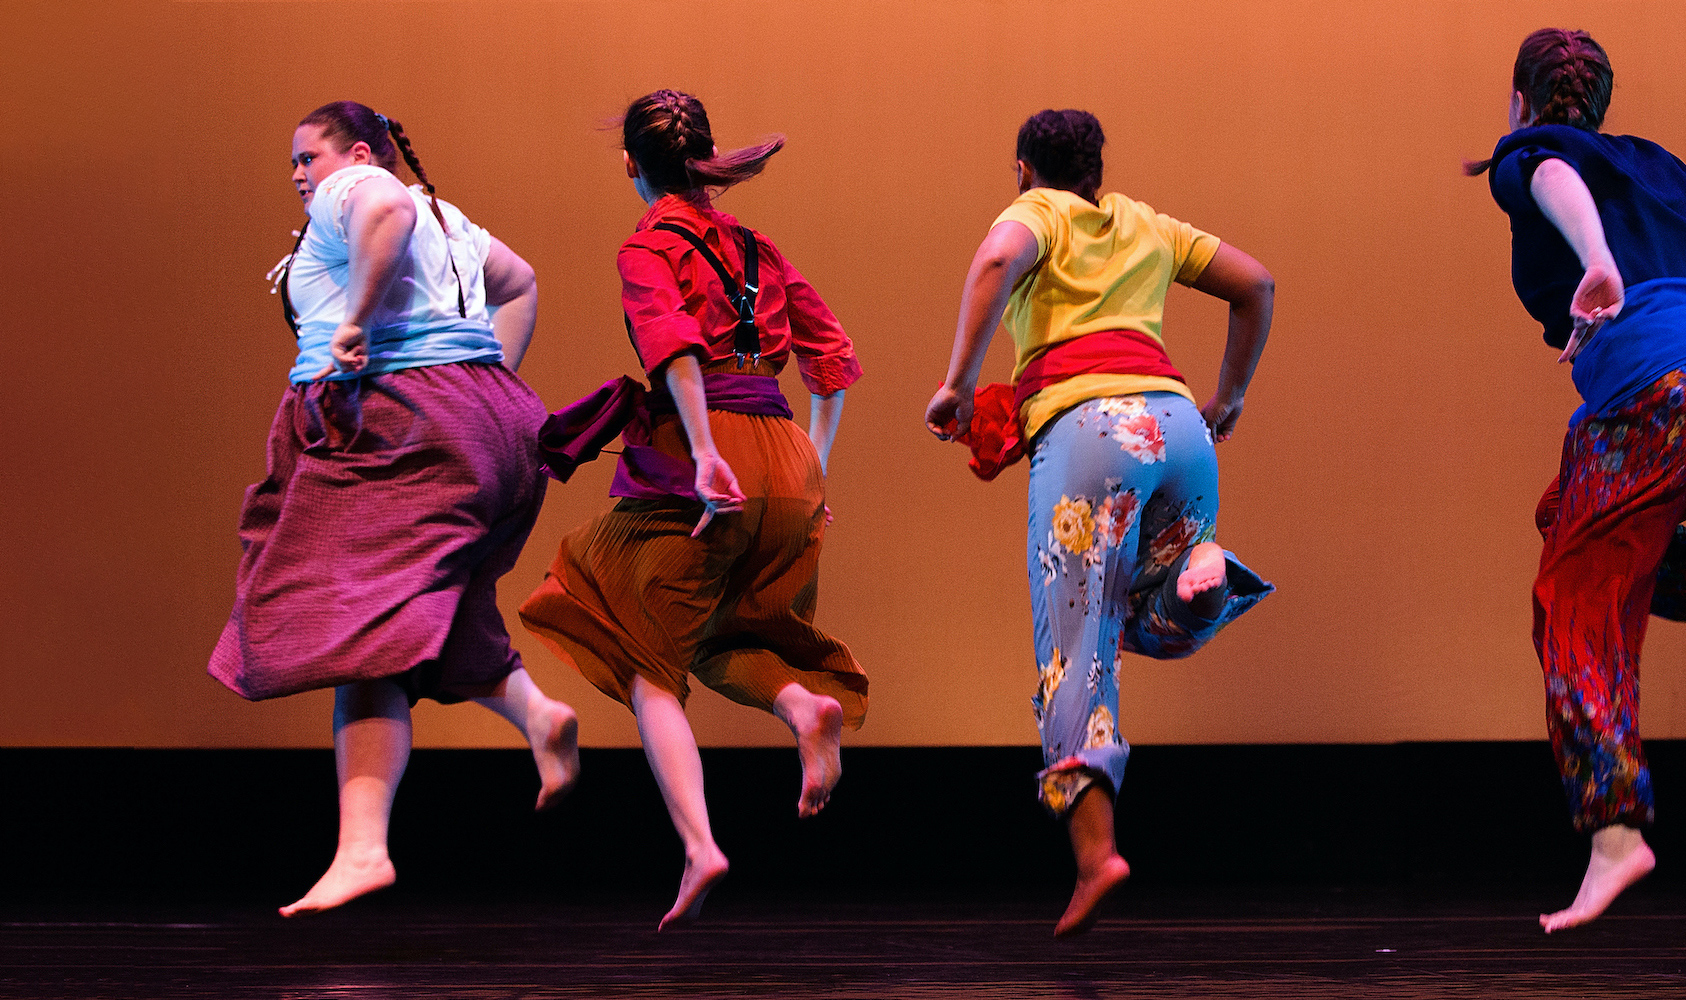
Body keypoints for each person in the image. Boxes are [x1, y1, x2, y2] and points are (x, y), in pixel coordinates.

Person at [1468, 29, 1686, 932]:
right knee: (1568, 514)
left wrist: (1596, 260)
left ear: (1521, 102)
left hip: (1657, 396)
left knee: (1571, 599)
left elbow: (1555, 178)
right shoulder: (1656, 166)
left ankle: (1615, 831)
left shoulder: (1528, 155)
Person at [210, 101, 581, 917]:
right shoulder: (452, 222)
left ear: (363, 151)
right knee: (398, 621)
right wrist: (489, 378)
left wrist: (354, 320)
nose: (301, 174)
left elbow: (384, 205)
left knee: (351, 623)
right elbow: (518, 282)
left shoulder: (365, 188)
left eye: (310, 155)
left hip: (398, 421)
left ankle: (364, 849)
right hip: (488, 424)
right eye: (297, 163)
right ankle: (534, 714)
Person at [518, 90, 869, 931]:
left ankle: (699, 844)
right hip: (787, 454)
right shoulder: (758, 246)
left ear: (633, 165)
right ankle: (800, 706)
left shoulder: (647, 247)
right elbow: (834, 357)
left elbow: (673, 345)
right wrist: (813, 463)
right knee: (722, 637)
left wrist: (708, 451)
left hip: (706, 455)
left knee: (639, 653)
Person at [925, 109, 1276, 938]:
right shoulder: (1146, 223)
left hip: (1091, 438)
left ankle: (1094, 854)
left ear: (1023, 170)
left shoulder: (1036, 214)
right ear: (1097, 170)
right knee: (1146, 622)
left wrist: (959, 381)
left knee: (1072, 654)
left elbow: (999, 257)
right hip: (1180, 432)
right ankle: (1201, 582)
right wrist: (1228, 398)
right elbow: (1256, 283)